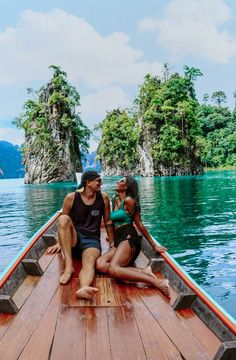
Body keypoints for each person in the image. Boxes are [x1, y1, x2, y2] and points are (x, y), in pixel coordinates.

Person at [96, 176, 170, 297]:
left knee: (114, 269)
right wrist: (112, 237)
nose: (117, 182)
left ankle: (157, 282)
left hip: (129, 238)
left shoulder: (129, 201)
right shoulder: (114, 199)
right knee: (99, 264)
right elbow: (110, 222)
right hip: (119, 240)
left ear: (126, 186)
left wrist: (154, 245)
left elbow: (139, 224)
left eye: (121, 181)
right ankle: (143, 271)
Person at [47, 170, 114, 300]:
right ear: (88, 183)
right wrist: (59, 242)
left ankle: (83, 288)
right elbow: (63, 223)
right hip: (74, 238)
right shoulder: (71, 198)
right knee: (63, 219)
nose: (101, 183)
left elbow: (108, 222)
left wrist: (112, 243)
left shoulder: (104, 198)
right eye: (98, 181)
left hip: (92, 241)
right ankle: (68, 267)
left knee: (89, 263)